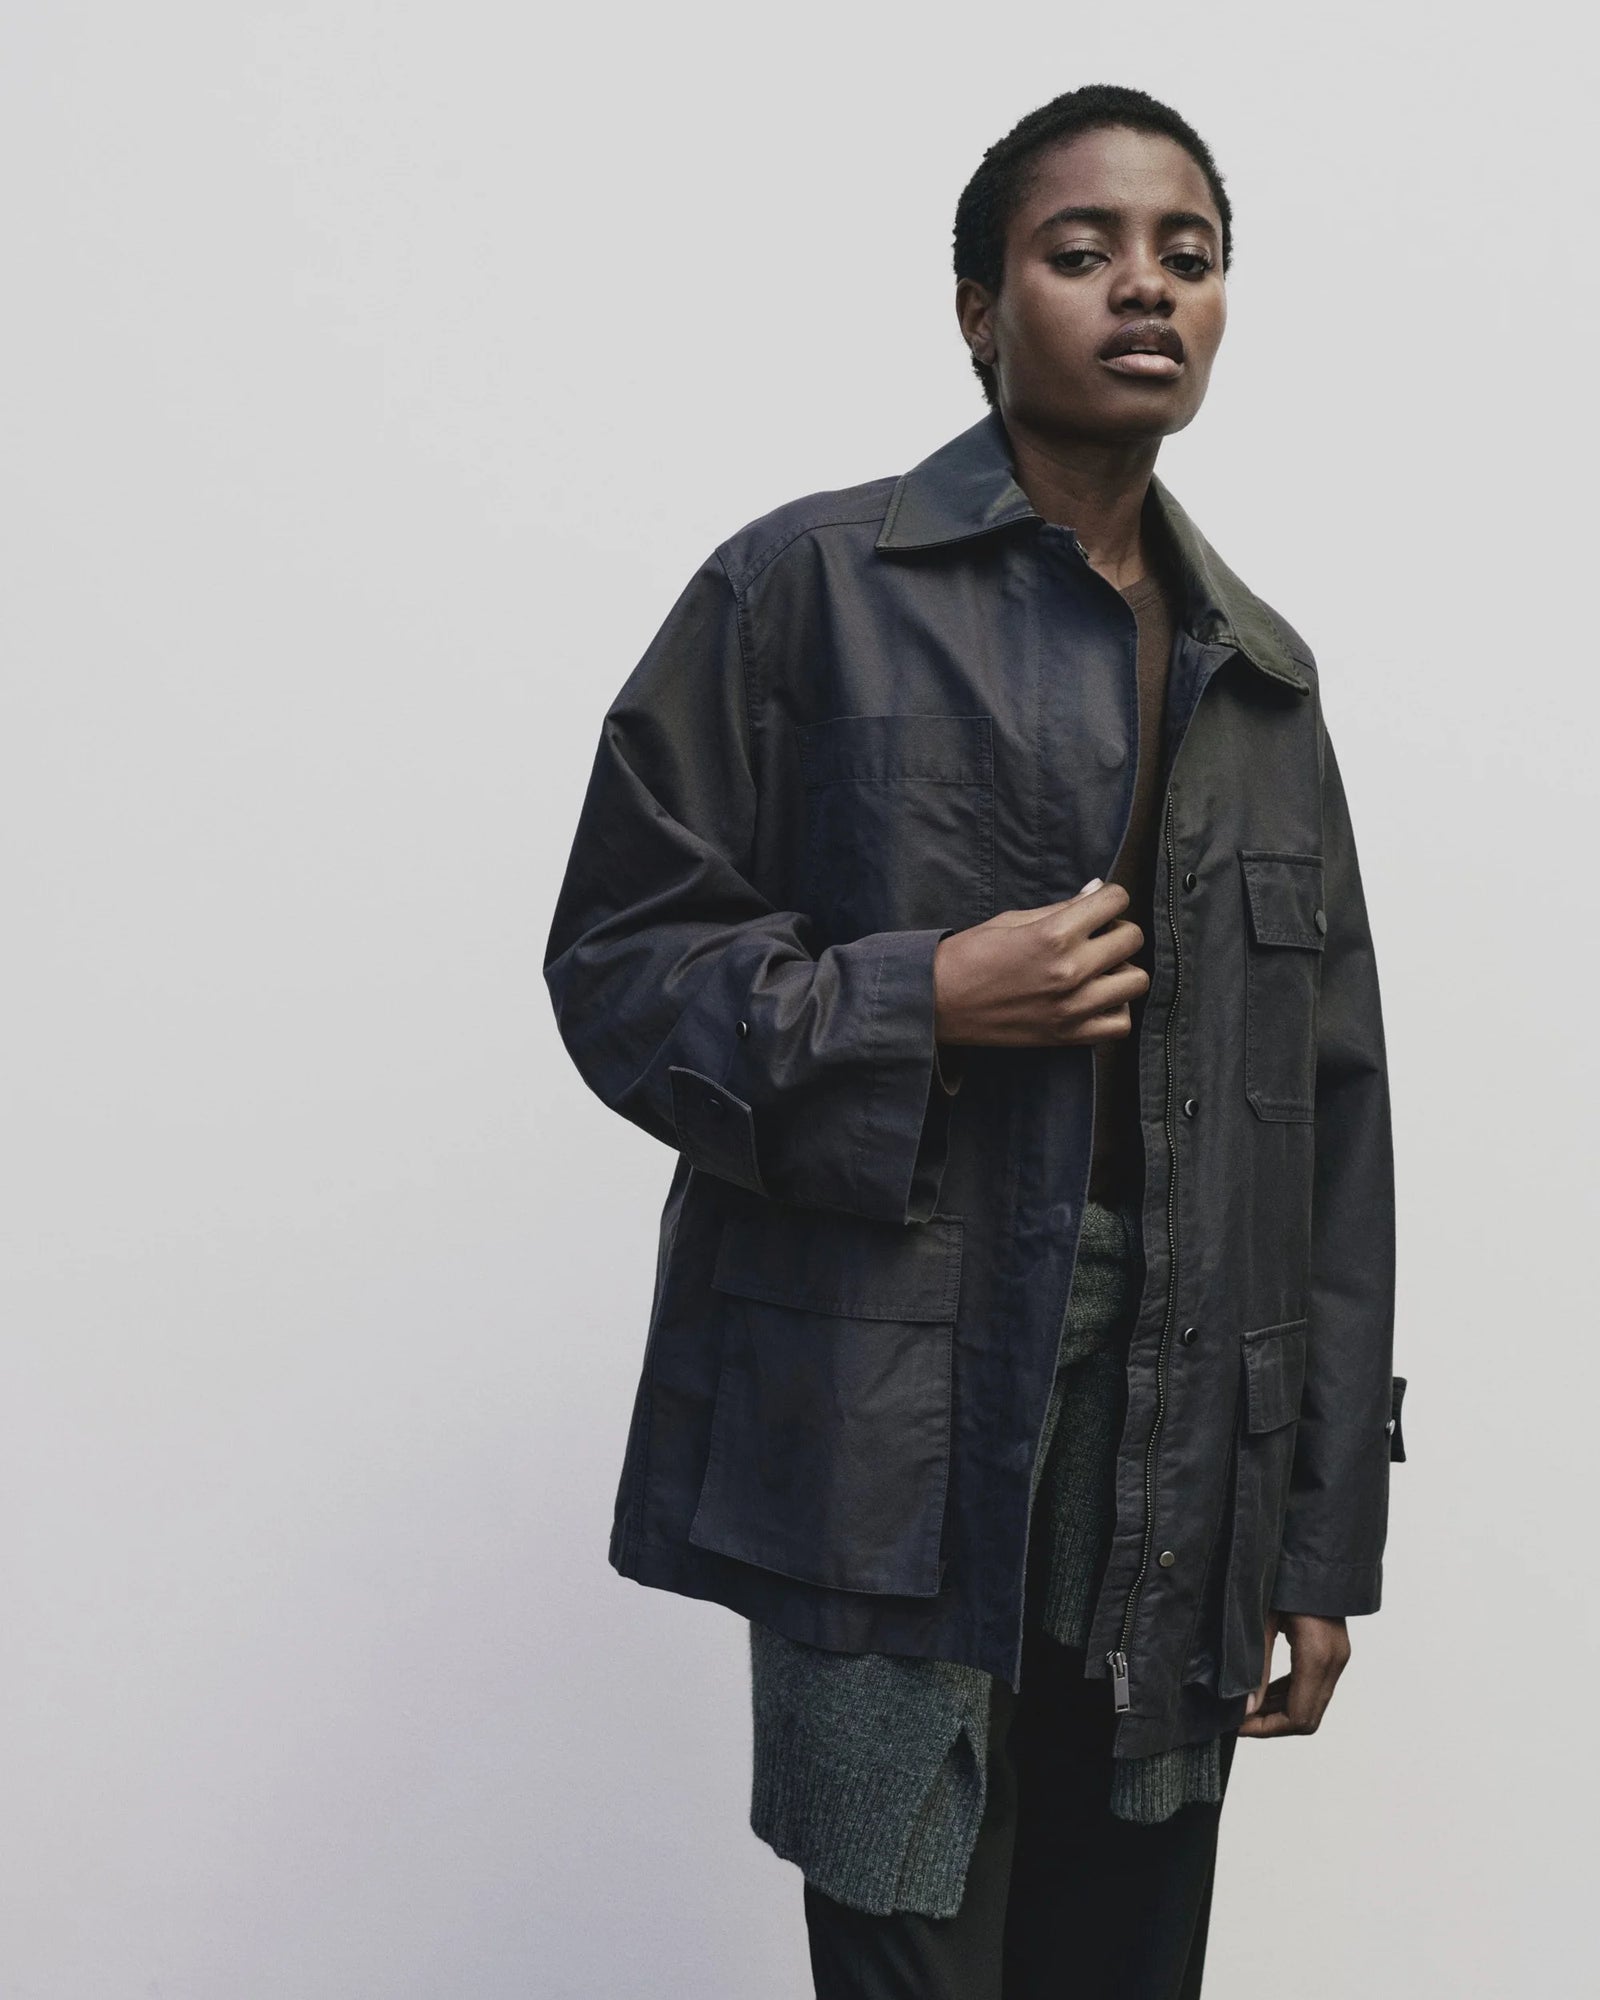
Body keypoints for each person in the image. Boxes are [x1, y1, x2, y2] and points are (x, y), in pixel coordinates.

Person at [544, 82, 1406, 2000]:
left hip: (1177, 1438)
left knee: (1126, 1948)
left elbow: (1331, 1135)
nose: (1146, 289)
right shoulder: (804, 592)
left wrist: (1317, 1533)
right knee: (910, 1935)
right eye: (1082, 251)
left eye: (1188, 255)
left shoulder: (1262, 682)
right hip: (884, 1417)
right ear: (975, 309)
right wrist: (918, 998)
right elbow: (618, 961)